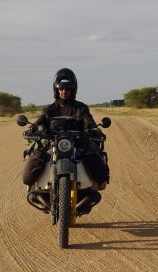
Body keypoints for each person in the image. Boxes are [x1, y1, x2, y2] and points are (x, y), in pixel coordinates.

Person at [22, 68, 109, 215]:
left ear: (73, 90)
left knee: (92, 153)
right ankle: (32, 187)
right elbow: (39, 122)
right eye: (61, 88)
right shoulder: (49, 109)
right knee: (35, 154)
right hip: (53, 144)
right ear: (56, 90)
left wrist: (95, 130)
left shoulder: (81, 108)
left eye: (68, 89)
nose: (64, 91)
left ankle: (96, 184)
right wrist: (32, 128)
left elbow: (89, 122)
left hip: (77, 143)